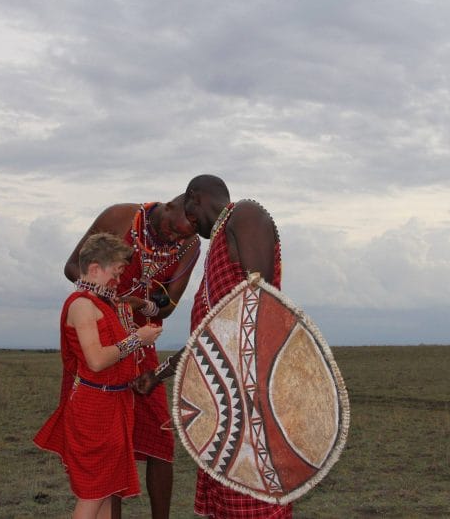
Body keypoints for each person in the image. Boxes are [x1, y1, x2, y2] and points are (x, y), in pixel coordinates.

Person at [134, 175, 292, 518]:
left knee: (256, 504)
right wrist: (158, 375)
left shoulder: (245, 214)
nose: (189, 229)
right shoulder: (217, 250)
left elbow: (262, 302)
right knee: (229, 507)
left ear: (195, 199)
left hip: (249, 397)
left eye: (189, 219)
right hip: (225, 405)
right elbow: (209, 339)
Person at [65, 195, 200, 519]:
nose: (173, 238)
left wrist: (144, 308)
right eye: (171, 228)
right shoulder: (119, 217)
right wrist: (114, 300)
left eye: (181, 235)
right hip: (105, 336)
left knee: (160, 439)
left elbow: (167, 305)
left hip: (141, 347)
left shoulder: (188, 246)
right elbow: (73, 267)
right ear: (167, 206)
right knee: (110, 445)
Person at [34, 232, 163, 519]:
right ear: (94, 269)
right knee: (92, 496)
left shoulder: (103, 304)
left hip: (114, 406)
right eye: (116, 272)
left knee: (105, 491)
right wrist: (137, 339)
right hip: (94, 411)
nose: (118, 280)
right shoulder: (82, 305)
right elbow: (96, 360)